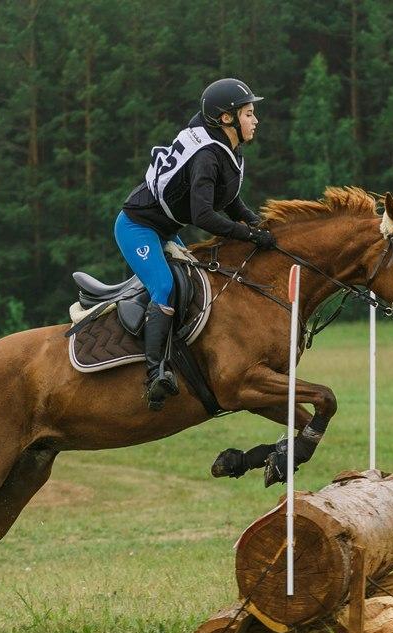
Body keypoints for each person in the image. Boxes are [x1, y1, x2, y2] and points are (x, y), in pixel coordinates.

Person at [117, 78, 277, 411]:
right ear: (226, 118)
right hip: (137, 227)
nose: (256, 119)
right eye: (249, 113)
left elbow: (230, 200)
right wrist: (248, 235)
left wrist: (258, 224)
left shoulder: (226, 149)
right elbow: (203, 216)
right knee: (163, 286)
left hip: (164, 228)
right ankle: (154, 374)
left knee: (194, 283)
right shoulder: (208, 155)